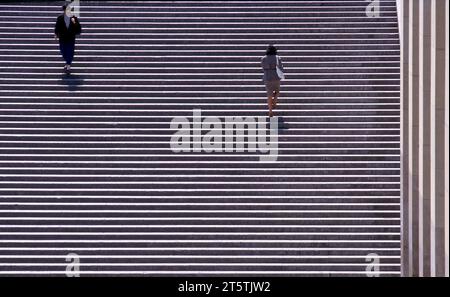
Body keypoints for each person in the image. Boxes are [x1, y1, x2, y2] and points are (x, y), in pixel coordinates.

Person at [54, 5, 82, 73]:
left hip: (70, 38)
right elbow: (57, 26)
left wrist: (74, 22)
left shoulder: (74, 18)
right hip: (62, 38)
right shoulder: (60, 18)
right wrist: (56, 34)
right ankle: (67, 63)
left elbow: (79, 28)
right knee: (63, 50)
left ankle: (68, 65)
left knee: (70, 51)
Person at [261, 45, 284, 117]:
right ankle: (274, 101)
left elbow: (264, 67)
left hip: (267, 77)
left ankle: (270, 111)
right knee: (277, 92)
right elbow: (281, 67)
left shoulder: (263, 58)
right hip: (276, 77)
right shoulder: (277, 58)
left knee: (269, 94)